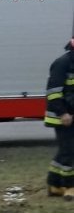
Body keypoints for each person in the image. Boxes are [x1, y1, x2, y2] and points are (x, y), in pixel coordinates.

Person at [45, 38, 74, 200]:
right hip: (62, 117)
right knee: (69, 151)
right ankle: (69, 187)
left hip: (70, 114)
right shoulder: (62, 63)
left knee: (64, 151)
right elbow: (53, 93)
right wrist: (63, 113)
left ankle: (54, 185)